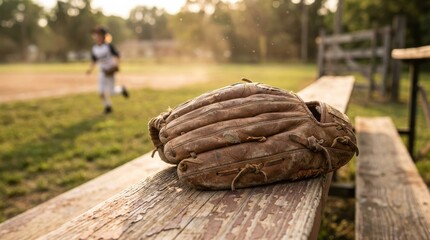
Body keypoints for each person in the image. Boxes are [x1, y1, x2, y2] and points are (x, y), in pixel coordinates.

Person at [86, 26, 129, 114]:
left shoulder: (108, 46)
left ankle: (121, 89)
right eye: (95, 35)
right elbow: (94, 60)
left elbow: (118, 55)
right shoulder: (94, 48)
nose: (97, 36)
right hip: (102, 72)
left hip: (110, 71)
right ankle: (108, 107)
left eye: (99, 35)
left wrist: (117, 64)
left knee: (112, 92)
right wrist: (90, 69)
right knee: (101, 92)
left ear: (104, 36)